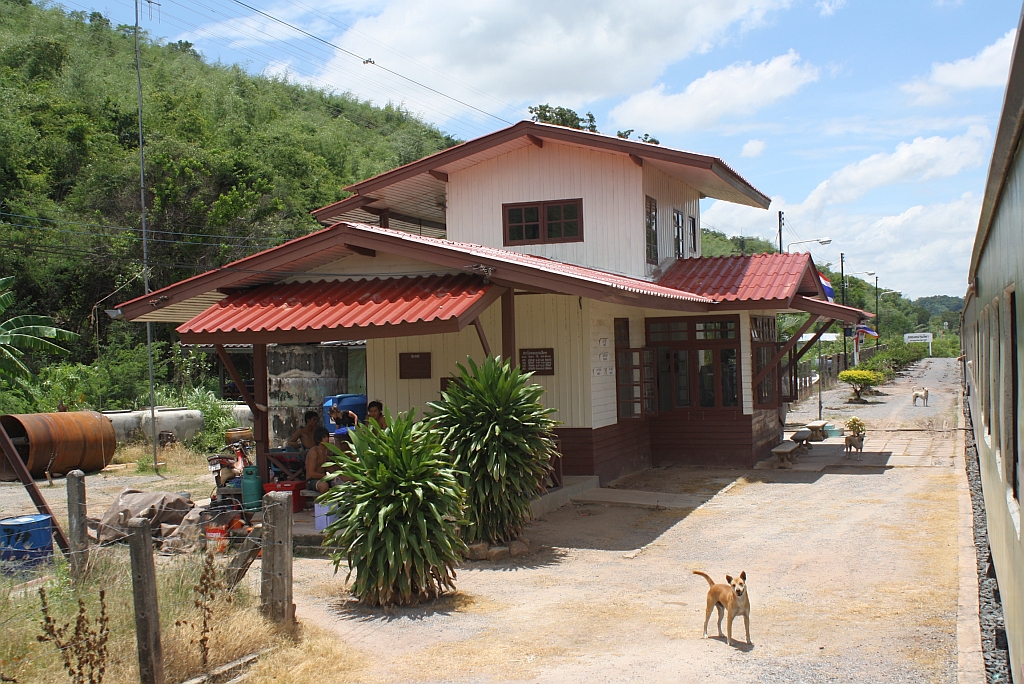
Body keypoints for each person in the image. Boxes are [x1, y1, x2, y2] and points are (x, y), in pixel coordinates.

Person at [305, 427, 333, 494]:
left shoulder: (327, 451)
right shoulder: (314, 452)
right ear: (318, 439)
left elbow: (329, 467)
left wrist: (337, 474)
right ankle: (321, 504)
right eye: (324, 437)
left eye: (327, 436)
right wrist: (325, 476)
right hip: (312, 480)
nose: (327, 439)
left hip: (325, 478)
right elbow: (311, 473)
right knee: (324, 486)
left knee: (346, 479)